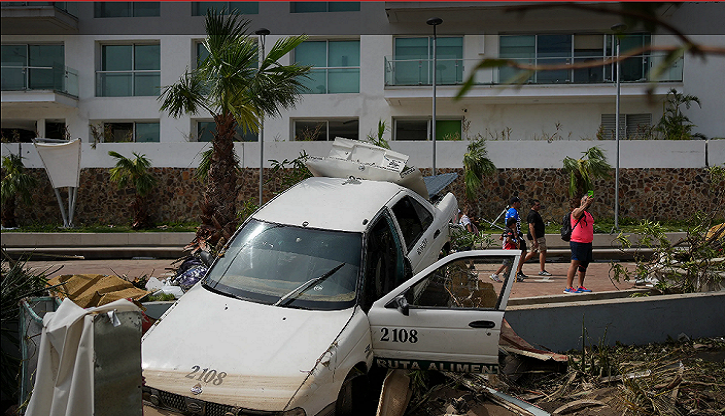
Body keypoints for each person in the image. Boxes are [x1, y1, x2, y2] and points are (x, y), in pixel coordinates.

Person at [564, 194, 594, 294]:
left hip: (587, 242)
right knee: (575, 263)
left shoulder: (587, 213)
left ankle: (580, 285)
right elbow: (576, 215)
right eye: (585, 199)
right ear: (582, 201)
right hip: (578, 242)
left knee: (584, 264)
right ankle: (568, 287)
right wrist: (585, 205)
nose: (588, 201)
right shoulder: (577, 211)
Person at [524, 199, 552, 277]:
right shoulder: (532, 214)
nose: (539, 206)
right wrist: (535, 240)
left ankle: (518, 264)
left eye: (539, 204)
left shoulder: (536, 214)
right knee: (542, 251)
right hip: (537, 237)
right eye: (537, 205)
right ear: (533, 206)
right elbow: (531, 227)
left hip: (539, 236)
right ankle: (542, 270)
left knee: (534, 252)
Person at [489, 217, 520, 282]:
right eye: (515, 224)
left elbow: (501, 238)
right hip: (509, 249)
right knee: (505, 263)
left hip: (506, 248)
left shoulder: (506, 229)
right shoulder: (509, 231)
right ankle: (495, 274)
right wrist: (516, 244)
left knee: (509, 263)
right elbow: (509, 239)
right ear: (513, 224)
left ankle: (508, 275)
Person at [505, 197, 528, 280]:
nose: (520, 204)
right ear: (515, 203)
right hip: (515, 234)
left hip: (513, 233)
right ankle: (517, 271)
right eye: (519, 202)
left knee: (520, 252)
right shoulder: (513, 212)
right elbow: (512, 223)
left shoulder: (510, 211)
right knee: (522, 252)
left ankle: (511, 271)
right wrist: (515, 235)